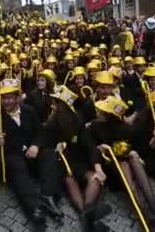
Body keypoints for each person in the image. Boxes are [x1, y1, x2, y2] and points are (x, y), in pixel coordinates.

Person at [0, 78, 62, 229]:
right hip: (12, 155)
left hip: (31, 152)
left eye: (11, 97)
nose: (7, 102)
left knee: (50, 154)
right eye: (4, 98)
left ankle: (47, 195)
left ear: (18, 97)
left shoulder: (29, 110)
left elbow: (40, 131)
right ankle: (33, 209)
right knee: (18, 170)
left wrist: (35, 146)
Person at [89, 96, 155, 228]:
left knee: (133, 158)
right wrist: (100, 148)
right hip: (108, 164)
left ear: (109, 115)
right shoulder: (94, 126)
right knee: (127, 172)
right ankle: (147, 217)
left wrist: (131, 151)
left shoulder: (124, 128)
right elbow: (91, 149)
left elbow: (133, 147)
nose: (98, 111)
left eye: (102, 111)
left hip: (123, 158)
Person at [44, 86, 111, 231]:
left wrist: (98, 169)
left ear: (66, 106)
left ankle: (86, 214)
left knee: (95, 178)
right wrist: (57, 146)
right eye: (54, 102)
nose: (53, 106)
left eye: (57, 103)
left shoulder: (78, 120)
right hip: (64, 164)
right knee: (69, 180)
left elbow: (89, 145)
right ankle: (88, 216)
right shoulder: (51, 122)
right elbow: (45, 143)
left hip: (81, 161)